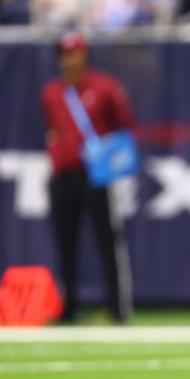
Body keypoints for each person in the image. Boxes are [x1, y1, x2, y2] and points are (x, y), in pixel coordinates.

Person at [40, 32, 135, 323]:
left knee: (107, 241)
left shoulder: (105, 87)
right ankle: (68, 306)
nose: (71, 60)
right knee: (65, 242)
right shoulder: (52, 93)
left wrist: (113, 162)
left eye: (76, 53)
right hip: (64, 174)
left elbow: (124, 129)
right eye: (65, 54)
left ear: (84, 54)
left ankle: (116, 308)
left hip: (97, 175)